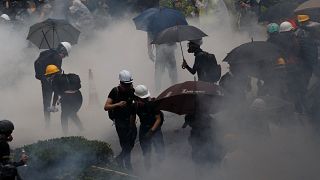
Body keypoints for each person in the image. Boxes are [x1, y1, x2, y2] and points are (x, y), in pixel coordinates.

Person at [104, 70, 137, 171]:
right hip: (120, 122)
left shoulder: (132, 90)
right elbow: (106, 106)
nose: (128, 86)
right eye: (126, 85)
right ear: (121, 83)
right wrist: (117, 104)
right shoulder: (115, 91)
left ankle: (120, 159)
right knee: (125, 144)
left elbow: (136, 103)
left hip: (131, 121)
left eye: (129, 84)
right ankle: (126, 164)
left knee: (131, 143)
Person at [34, 42, 72, 128]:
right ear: (62, 51)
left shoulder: (48, 53)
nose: (64, 57)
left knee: (46, 102)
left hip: (44, 80)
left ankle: (47, 124)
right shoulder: (58, 57)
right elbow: (57, 73)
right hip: (51, 81)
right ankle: (66, 117)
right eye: (65, 55)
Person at [133, 85, 165, 170]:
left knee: (160, 149)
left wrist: (151, 132)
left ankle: (162, 169)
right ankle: (148, 170)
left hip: (155, 129)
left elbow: (158, 119)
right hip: (144, 128)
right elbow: (132, 118)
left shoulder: (152, 104)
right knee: (146, 152)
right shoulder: (136, 105)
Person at [46, 66, 84, 135]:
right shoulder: (66, 77)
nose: (48, 78)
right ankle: (82, 129)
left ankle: (65, 135)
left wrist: (53, 106)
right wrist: (61, 99)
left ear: (52, 75)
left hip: (68, 100)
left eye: (48, 75)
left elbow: (56, 93)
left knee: (64, 117)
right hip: (79, 97)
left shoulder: (55, 80)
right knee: (72, 114)